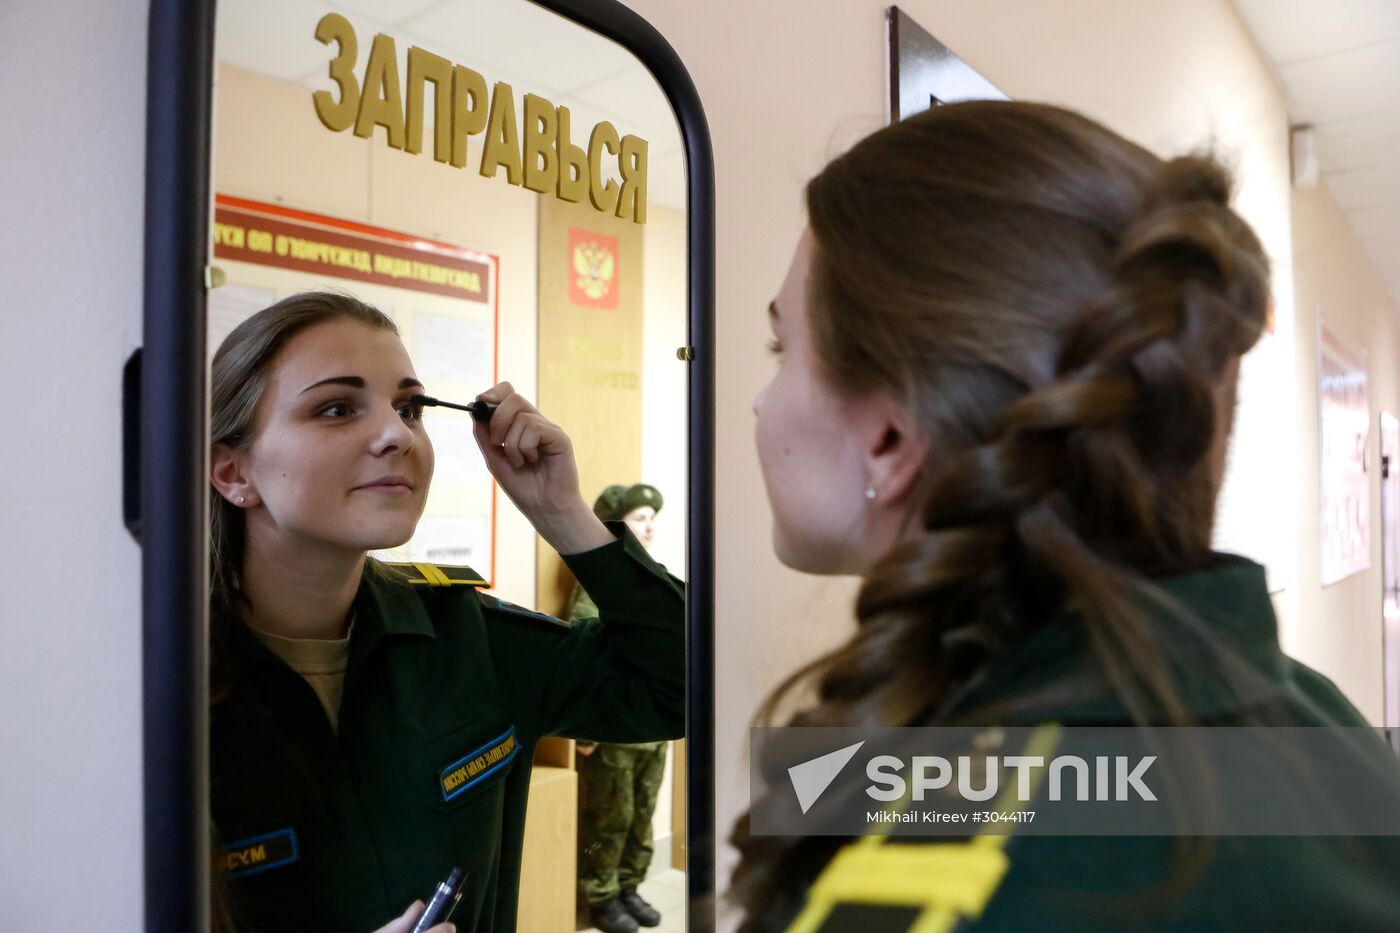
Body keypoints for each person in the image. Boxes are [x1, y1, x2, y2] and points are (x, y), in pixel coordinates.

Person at [729, 100, 1400, 931]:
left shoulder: (929, 888)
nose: (761, 403)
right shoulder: (1316, 714)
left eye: (782, 349)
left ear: (890, 435)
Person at [206, 291, 684, 933]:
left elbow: (682, 688)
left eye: (409, 407)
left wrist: (563, 514)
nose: (396, 435)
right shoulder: (150, 689)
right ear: (233, 471)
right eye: (337, 408)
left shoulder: (468, 638)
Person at [566, 484, 669, 933]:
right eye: (639, 518)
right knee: (610, 818)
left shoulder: (653, 579)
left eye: (651, 518)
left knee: (641, 815)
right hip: (615, 733)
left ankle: (629, 885)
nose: (649, 526)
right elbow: (583, 656)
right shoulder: (600, 587)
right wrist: (585, 733)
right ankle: (603, 897)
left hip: (653, 730)